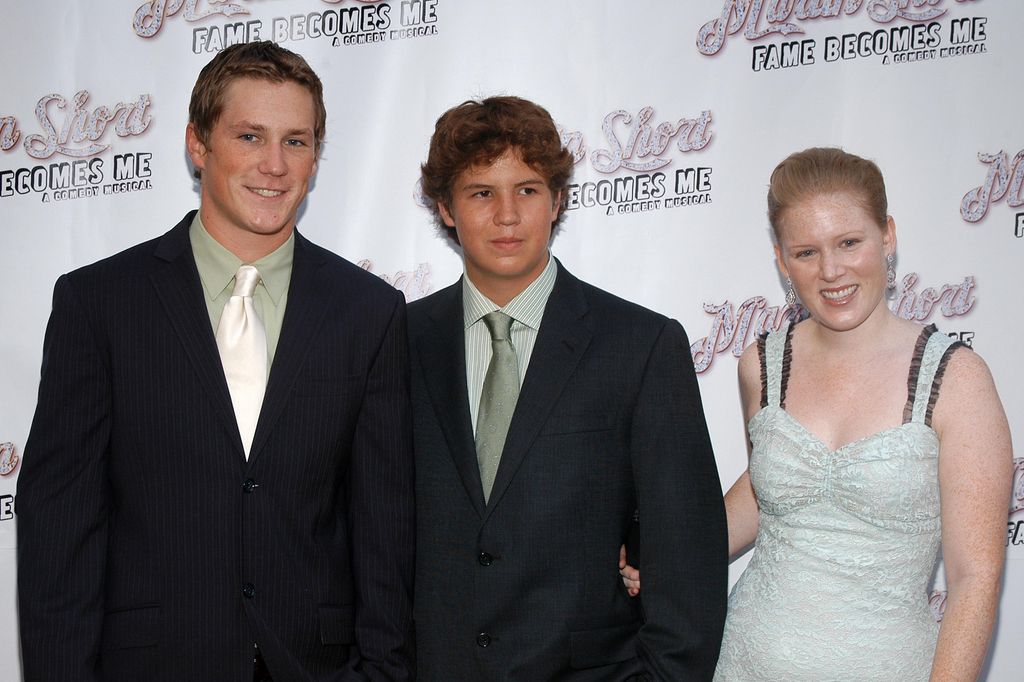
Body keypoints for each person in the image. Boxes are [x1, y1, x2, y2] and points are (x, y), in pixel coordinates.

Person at [16, 41, 414, 681]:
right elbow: (60, 525)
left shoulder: (368, 311)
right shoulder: (100, 304)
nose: (275, 165)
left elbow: (385, 528)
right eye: (251, 136)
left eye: (297, 141)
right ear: (198, 146)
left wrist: (382, 671)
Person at [621, 147, 1012, 680]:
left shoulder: (957, 378)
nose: (832, 271)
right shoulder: (762, 362)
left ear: (888, 235)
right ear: (782, 260)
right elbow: (771, 494)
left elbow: (974, 581)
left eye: (849, 242)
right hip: (745, 661)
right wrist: (668, 553)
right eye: (805, 252)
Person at [409, 95, 727, 681]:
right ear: (445, 208)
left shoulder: (641, 345)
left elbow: (687, 562)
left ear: (557, 201)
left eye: (527, 190)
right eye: (482, 192)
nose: (507, 215)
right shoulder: (399, 344)